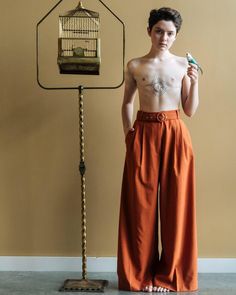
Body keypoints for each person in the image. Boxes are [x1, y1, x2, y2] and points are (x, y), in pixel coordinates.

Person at [117, 7, 199, 293]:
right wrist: (129, 134)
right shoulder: (135, 65)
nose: (164, 37)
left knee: (177, 205)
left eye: (170, 33)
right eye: (159, 31)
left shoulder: (183, 65)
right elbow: (127, 102)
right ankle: (140, 275)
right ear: (150, 31)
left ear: (176, 35)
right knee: (140, 207)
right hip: (143, 132)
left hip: (175, 133)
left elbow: (189, 109)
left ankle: (169, 276)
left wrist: (195, 82)